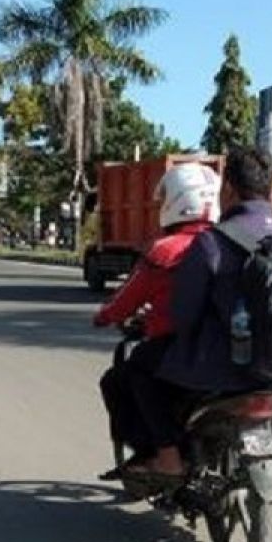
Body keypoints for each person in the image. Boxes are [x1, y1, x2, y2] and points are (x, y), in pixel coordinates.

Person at [127, 147, 272, 479]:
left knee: (140, 367)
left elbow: (185, 314)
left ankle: (169, 458)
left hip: (220, 365)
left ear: (227, 190)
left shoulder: (212, 243)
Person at [95, 162, 221, 469]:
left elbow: (125, 303)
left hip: (180, 350)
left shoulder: (165, 251)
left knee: (123, 377)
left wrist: (103, 317)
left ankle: (164, 453)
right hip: (231, 351)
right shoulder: (231, 243)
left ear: (176, 201)